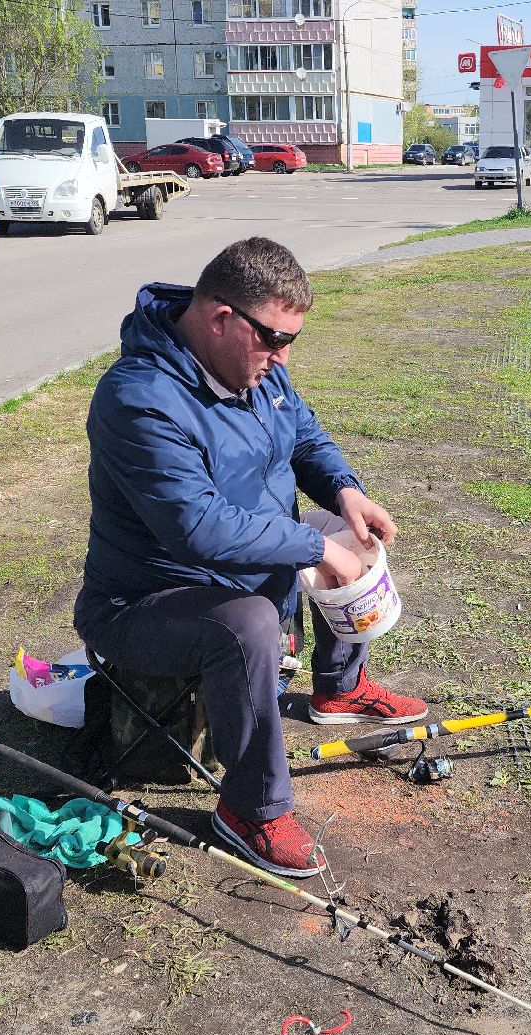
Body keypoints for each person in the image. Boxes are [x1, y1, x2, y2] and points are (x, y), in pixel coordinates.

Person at [73, 237, 427, 878]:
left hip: (232, 570)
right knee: (252, 624)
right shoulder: (138, 399)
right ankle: (250, 810)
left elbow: (305, 435)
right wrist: (315, 547)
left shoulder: (256, 366)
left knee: (345, 538)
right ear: (220, 318)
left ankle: (339, 688)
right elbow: (198, 528)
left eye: (291, 340)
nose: (284, 356)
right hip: (141, 603)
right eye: (275, 339)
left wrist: (345, 494)